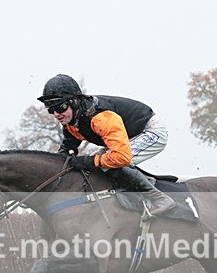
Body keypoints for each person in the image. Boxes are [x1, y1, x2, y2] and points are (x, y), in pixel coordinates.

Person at [37, 74, 175, 216]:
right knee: (102, 163)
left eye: (60, 107)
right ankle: (141, 180)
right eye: (50, 110)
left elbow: (122, 157)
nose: (56, 114)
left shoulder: (100, 117)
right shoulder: (71, 121)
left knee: (107, 162)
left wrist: (89, 161)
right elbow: (66, 152)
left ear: (74, 101)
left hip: (150, 131)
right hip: (127, 135)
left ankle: (160, 198)